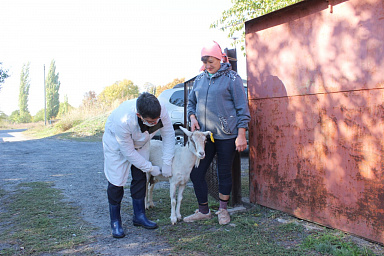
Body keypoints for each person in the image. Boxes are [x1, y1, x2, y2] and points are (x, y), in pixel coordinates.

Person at [184, 41, 250, 225]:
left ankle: (223, 210)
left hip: (227, 135)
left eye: (211, 61)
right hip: (206, 137)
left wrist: (241, 134)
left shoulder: (232, 78)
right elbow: (191, 103)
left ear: (220, 58)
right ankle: (204, 210)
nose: (208, 65)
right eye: (205, 62)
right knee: (196, 173)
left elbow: (242, 108)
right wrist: (193, 117)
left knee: (224, 173)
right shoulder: (199, 79)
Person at [102, 92, 175, 238]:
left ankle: (139, 215)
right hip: (117, 144)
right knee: (116, 182)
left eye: (157, 120)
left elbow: (168, 134)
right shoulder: (122, 120)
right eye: (151, 121)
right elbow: (128, 152)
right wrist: (151, 168)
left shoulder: (161, 109)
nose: (155, 124)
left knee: (140, 177)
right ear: (138, 114)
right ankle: (115, 221)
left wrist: (167, 162)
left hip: (141, 142)